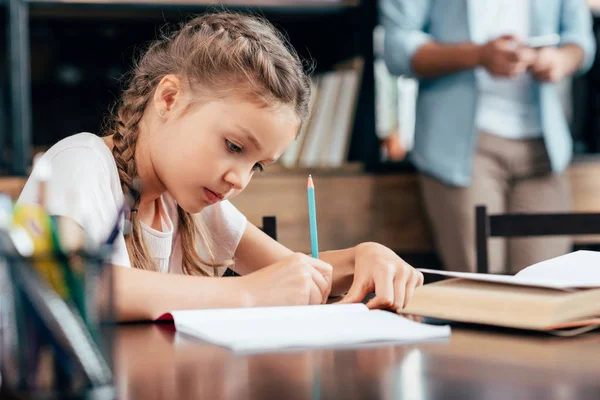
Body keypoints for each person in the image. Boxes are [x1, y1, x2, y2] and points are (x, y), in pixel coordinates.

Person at [17, 12, 423, 321]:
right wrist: (248, 293)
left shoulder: (194, 205)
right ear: (170, 99)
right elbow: (78, 285)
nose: (240, 179)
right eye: (233, 146)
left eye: (257, 166)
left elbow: (292, 272)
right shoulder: (82, 162)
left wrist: (362, 258)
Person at [381, 0, 596, 273]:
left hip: (544, 148)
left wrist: (560, 60)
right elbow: (397, 48)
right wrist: (479, 55)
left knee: (548, 285)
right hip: (462, 151)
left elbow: (580, 41)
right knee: (481, 286)